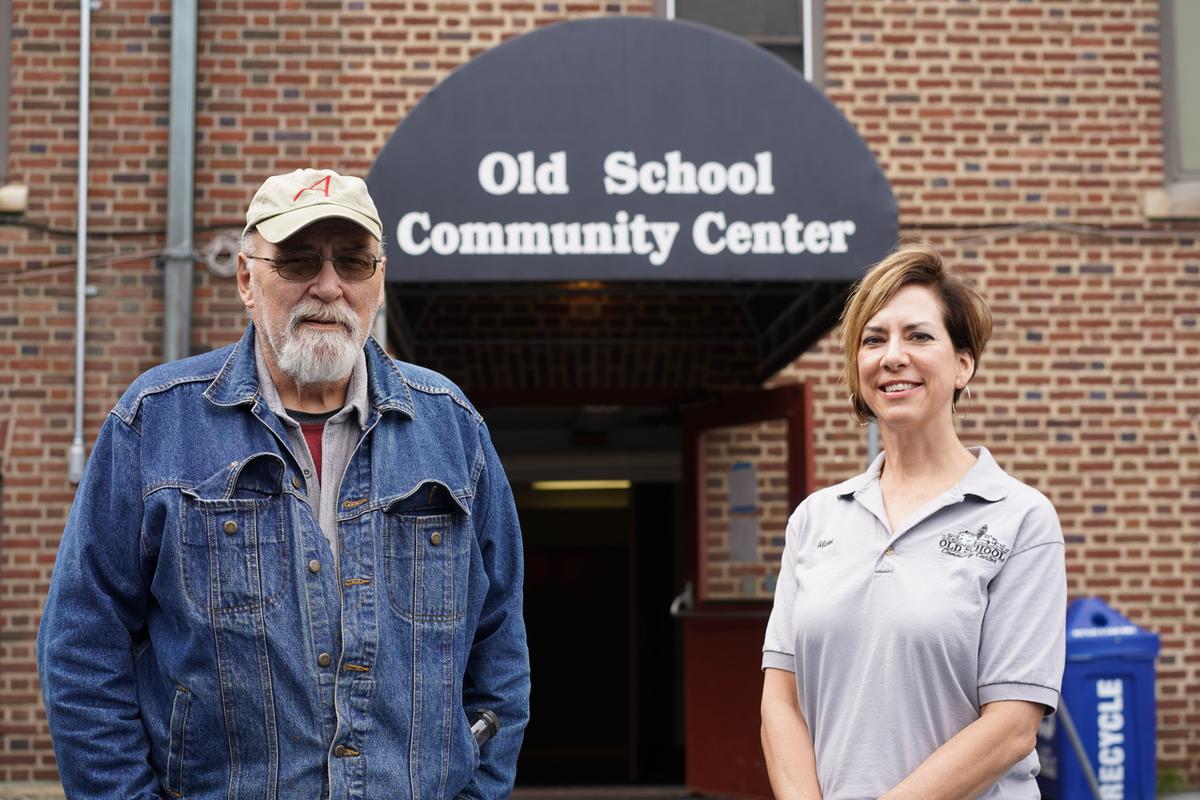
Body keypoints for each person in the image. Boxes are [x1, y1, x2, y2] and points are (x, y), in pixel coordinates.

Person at [37, 169, 530, 799]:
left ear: (377, 281)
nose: (327, 286)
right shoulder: (156, 423)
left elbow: (501, 652)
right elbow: (82, 649)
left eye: (352, 263)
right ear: (247, 278)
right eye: (298, 261)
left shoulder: (453, 430)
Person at [760, 243, 1065, 800]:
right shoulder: (815, 519)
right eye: (873, 340)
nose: (892, 356)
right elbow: (781, 701)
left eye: (919, 336)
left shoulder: (1020, 519)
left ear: (963, 363)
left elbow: (1012, 726)